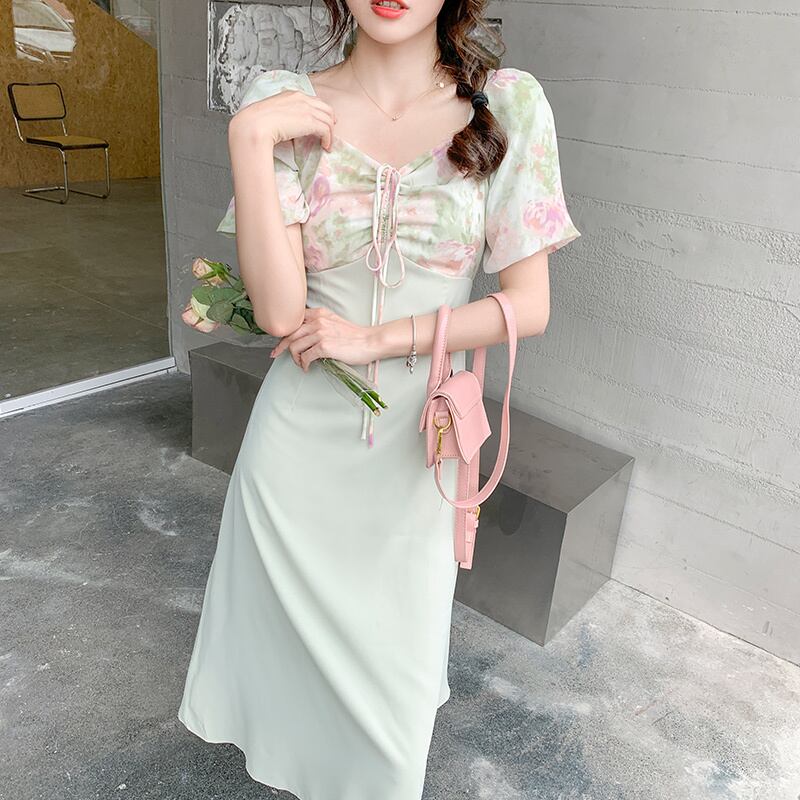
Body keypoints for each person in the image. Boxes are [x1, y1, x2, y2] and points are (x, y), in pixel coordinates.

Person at [177, 0, 581, 795]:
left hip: (415, 455)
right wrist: (248, 139)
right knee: (289, 691)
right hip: (295, 455)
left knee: (392, 710)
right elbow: (281, 313)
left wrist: (375, 339)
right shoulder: (283, 102)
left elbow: (528, 307)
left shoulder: (509, 105)